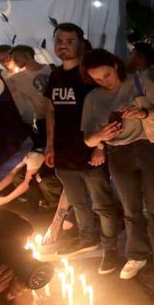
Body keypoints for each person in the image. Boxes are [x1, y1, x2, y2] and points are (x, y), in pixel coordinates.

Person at [81, 49, 154, 284]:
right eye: (97, 79)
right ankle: (137, 255)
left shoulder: (138, 82)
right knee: (131, 208)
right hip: (117, 153)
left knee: (153, 206)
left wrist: (143, 113)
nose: (104, 81)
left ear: (115, 65)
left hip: (147, 147)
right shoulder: (93, 98)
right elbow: (88, 139)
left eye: (107, 75)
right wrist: (101, 135)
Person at [43, 23, 121, 273]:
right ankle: (87, 238)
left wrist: (100, 147)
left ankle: (111, 250)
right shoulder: (55, 75)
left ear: (80, 44)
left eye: (69, 40)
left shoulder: (88, 76)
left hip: (90, 152)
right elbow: (51, 112)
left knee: (103, 204)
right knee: (78, 203)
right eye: (59, 40)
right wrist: (50, 146)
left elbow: (106, 111)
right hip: (64, 153)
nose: (63, 45)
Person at [6, 45, 52, 149]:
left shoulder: (52, 69)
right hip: (42, 119)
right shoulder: (16, 79)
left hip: (59, 116)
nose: (14, 60)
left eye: (16, 57)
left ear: (27, 54)